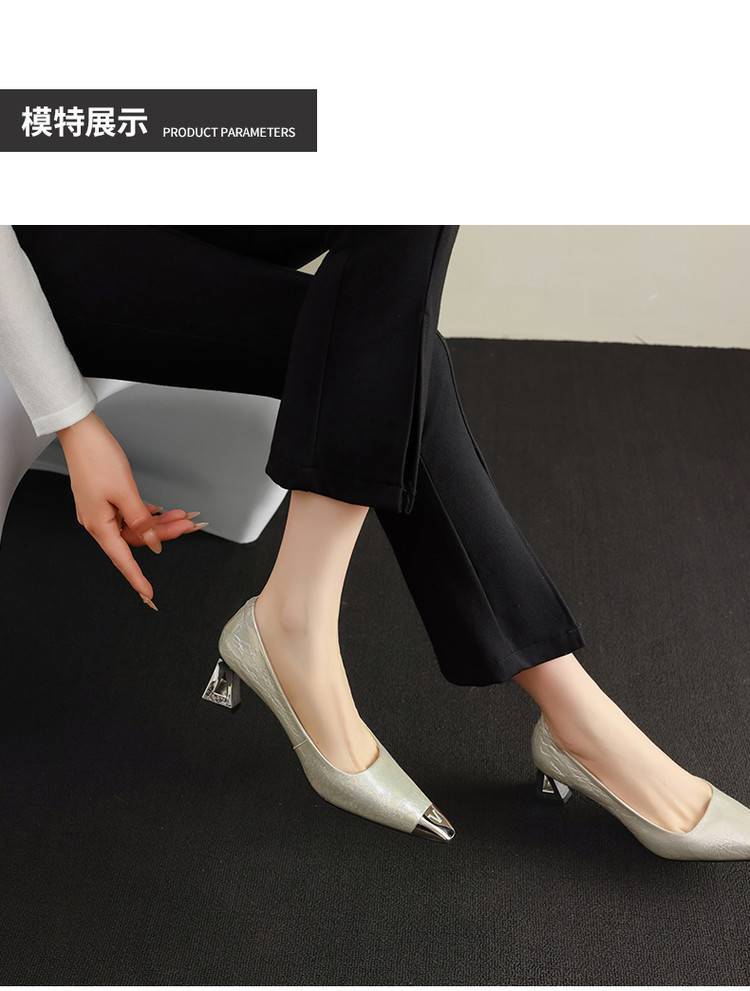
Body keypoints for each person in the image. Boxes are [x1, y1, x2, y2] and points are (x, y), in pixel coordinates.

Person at [2, 224, 749, 856]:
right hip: (48, 252)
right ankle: (575, 715)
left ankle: (293, 619)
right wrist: (72, 420)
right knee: (386, 345)